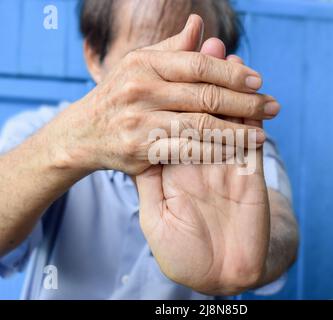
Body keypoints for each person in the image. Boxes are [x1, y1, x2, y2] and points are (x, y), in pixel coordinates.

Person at [0, 0, 298, 299]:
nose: (172, 85)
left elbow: (280, 223)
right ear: (94, 57)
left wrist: (255, 253)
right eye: (148, 63)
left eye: (192, 62)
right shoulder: (38, 132)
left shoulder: (236, 143)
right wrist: (67, 147)